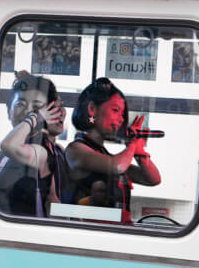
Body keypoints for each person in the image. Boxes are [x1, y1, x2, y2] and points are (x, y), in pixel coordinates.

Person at [66, 77, 161, 225]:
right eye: (116, 110)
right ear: (92, 109)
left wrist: (138, 151)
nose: (121, 119)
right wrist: (132, 145)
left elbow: (152, 179)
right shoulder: (76, 149)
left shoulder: (106, 155)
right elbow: (117, 166)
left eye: (123, 114)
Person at [0, 71, 63, 214]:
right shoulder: (4, 153)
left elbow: (8, 145)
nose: (28, 112)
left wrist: (33, 119)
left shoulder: (41, 151)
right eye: (20, 104)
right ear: (8, 111)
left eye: (36, 108)